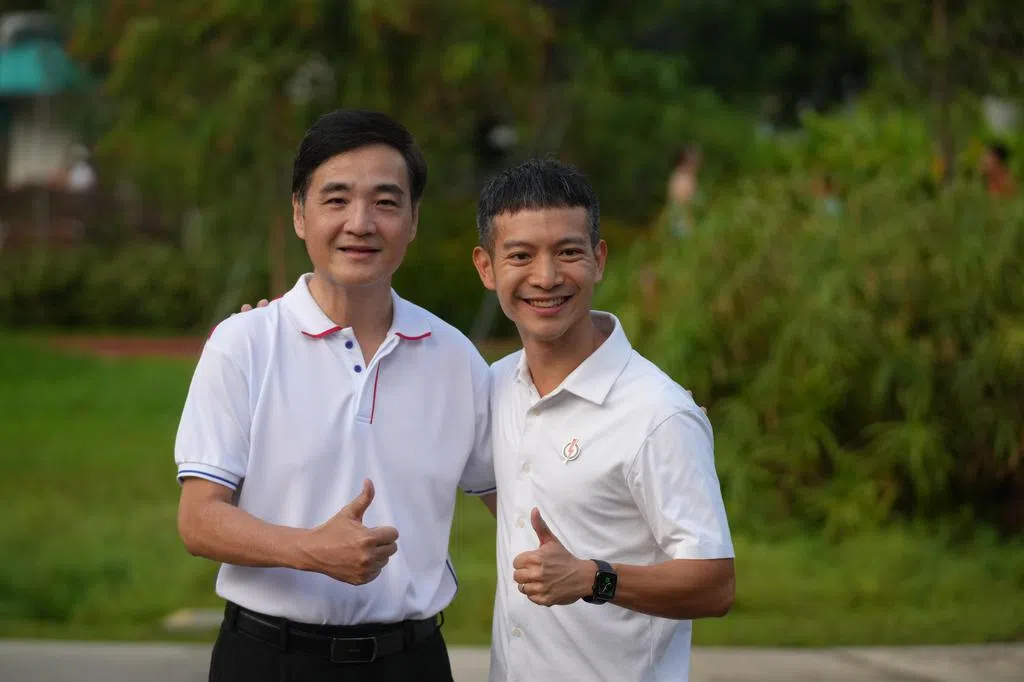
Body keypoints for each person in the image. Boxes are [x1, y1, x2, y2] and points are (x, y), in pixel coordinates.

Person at [174, 109, 496, 682]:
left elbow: (514, 501)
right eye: (337, 199)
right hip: (269, 660)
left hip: (412, 662)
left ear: (414, 220)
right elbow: (198, 520)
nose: (361, 223)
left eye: (386, 202)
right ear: (300, 214)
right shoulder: (244, 344)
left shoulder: (455, 357)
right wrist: (311, 549)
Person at [471, 157, 735, 682]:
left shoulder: (658, 412)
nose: (546, 277)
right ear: (486, 268)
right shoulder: (493, 386)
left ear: (599, 259)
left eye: (568, 252)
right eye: (520, 255)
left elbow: (715, 585)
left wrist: (594, 578)